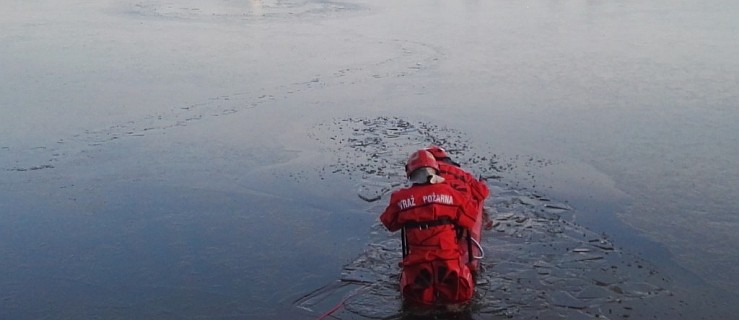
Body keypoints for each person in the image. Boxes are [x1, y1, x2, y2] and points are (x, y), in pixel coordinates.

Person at [379, 150, 479, 306]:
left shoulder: (399, 198)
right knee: (459, 303)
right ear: (434, 170)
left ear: (411, 173)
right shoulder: (450, 193)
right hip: (449, 261)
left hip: (418, 265)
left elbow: (389, 224)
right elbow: (470, 220)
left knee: (418, 306)